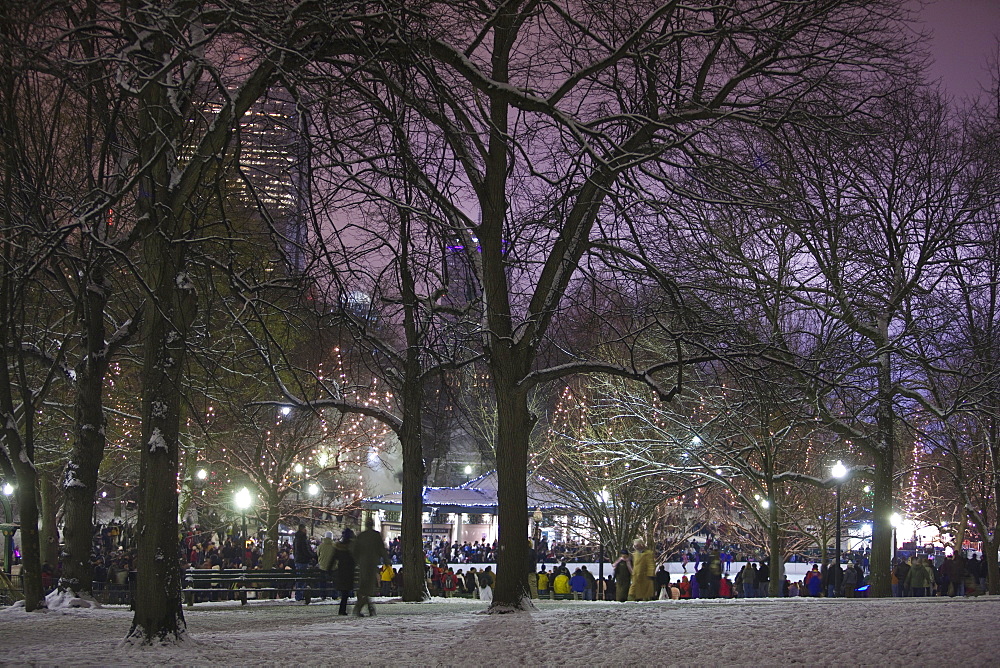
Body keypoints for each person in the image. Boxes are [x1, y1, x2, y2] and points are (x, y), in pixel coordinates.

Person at [351, 517, 390, 617]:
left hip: (363, 563)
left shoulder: (361, 536)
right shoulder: (376, 535)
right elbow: (381, 549)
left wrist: (356, 561)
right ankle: (364, 607)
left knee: (364, 586)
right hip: (372, 563)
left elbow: (355, 550)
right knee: (368, 587)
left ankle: (365, 607)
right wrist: (386, 560)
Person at [330, 528, 356, 615]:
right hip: (349, 570)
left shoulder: (339, 546)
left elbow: (333, 558)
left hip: (341, 570)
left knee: (344, 591)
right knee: (346, 591)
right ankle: (342, 609)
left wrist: (329, 568)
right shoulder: (351, 547)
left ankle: (342, 608)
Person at [292, 524, 313, 601]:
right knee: (302, 579)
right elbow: (306, 551)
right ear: (302, 529)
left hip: (298, 560)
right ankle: (300, 595)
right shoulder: (303, 539)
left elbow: (295, 550)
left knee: (299, 578)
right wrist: (312, 555)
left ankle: (299, 595)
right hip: (303, 561)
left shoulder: (296, 539)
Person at [317, 531, 336, 599]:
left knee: (322, 581)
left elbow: (318, 555)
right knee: (335, 581)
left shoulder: (320, 546)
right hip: (333, 567)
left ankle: (323, 595)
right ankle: (335, 595)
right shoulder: (335, 546)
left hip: (323, 566)